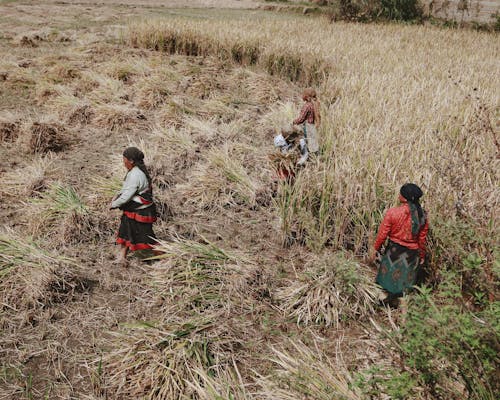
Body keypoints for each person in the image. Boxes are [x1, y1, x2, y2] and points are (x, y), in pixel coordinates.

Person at [371, 183, 429, 304]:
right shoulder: (422, 216)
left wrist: (375, 249)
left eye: (401, 193)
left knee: (385, 282)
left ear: (404, 197)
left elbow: (382, 234)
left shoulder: (393, 213)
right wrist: (422, 256)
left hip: (393, 252)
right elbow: (421, 240)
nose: (399, 195)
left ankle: (382, 303)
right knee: (404, 286)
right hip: (411, 256)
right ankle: (402, 312)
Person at [110, 147, 157, 266]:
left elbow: (127, 196)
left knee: (147, 238)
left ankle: (166, 256)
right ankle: (122, 258)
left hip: (141, 212)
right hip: (133, 211)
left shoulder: (136, 175)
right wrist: (117, 196)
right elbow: (125, 190)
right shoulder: (134, 172)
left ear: (131, 161)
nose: (123, 162)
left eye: (124, 159)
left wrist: (114, 204)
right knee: (125, 231)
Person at [293, 87, 321, 154]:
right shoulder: (314, 103)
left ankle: (309, 154)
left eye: (303, 94)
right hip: (313, 125)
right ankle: (316, 153)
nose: (302, 95)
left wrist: (294, 122)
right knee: (313, 140)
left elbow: (301, 119)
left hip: (308, 126)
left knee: (308, 140)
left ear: (306, 96)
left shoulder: (307, 106)